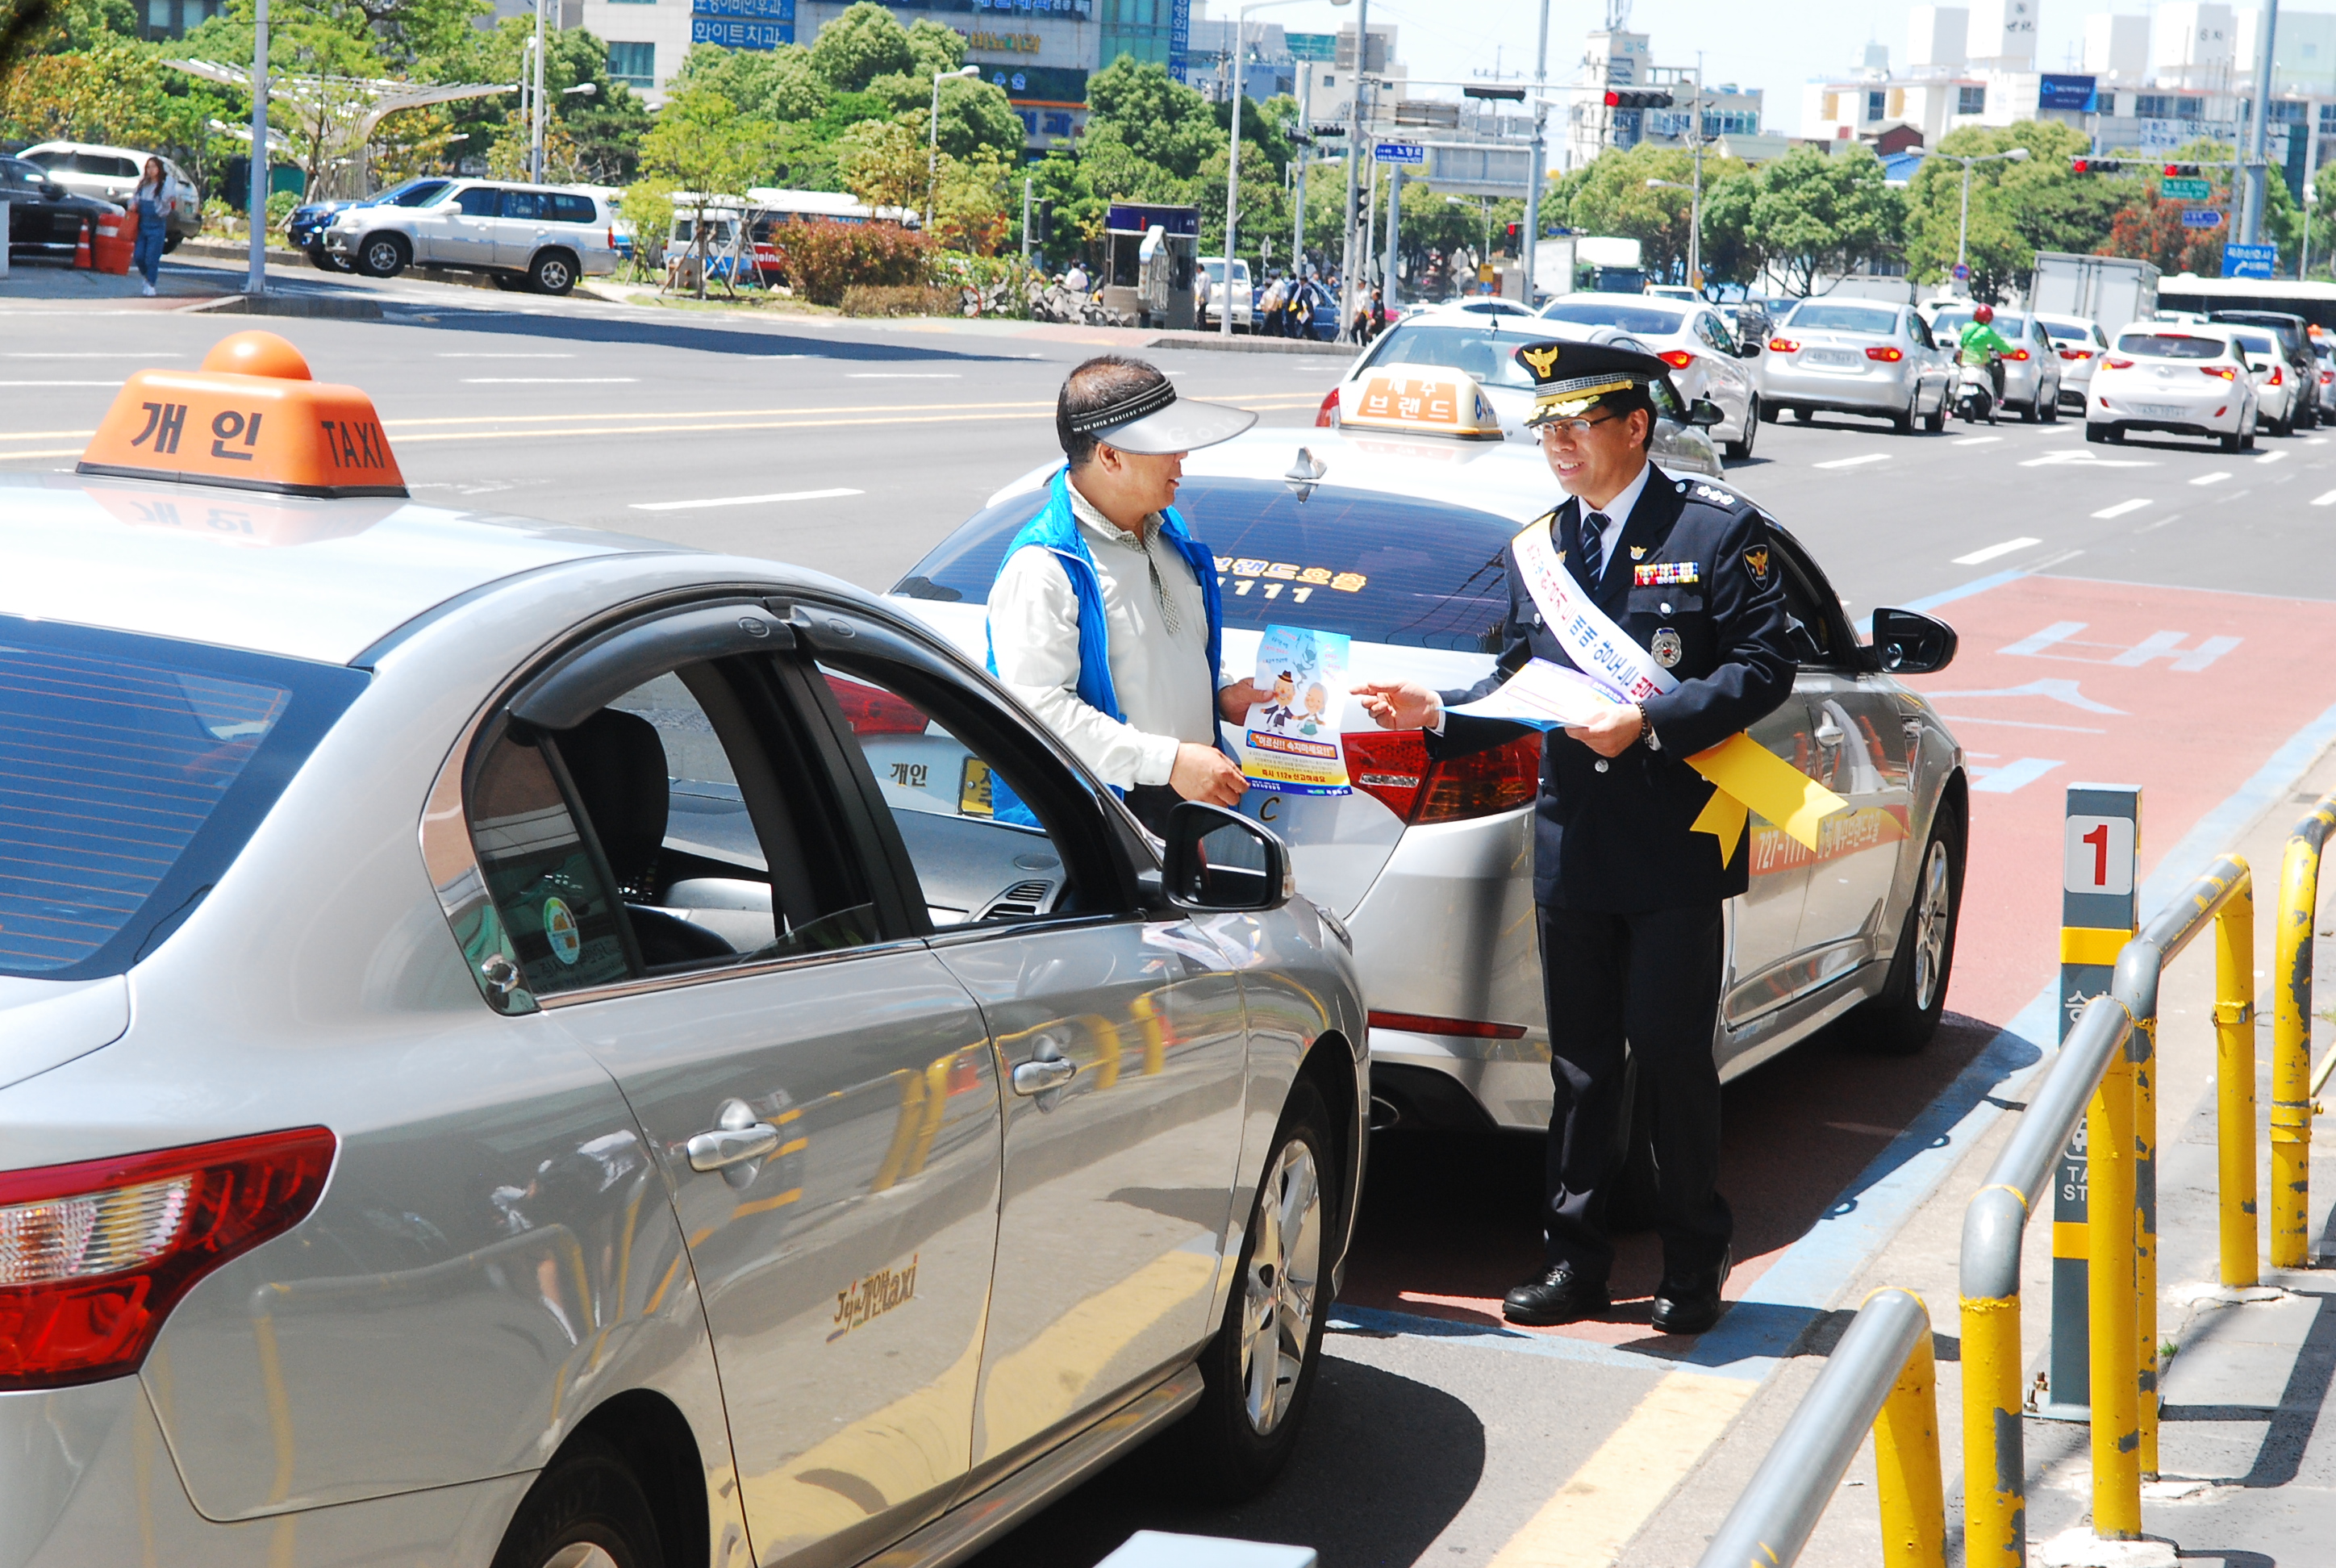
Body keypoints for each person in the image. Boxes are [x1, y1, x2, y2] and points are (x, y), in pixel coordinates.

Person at [1354, 340, 1797, 1337]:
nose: (1554, 443)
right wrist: (1438, 711)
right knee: (1584, 1068)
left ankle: (1691, 1262)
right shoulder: (1543, 547)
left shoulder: (1716, 530)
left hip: (1677, 836)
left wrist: (1650, 720)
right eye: (1544, 427)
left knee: (1672, 1058)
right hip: (1575, 843)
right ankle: (1575, 1261)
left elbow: (1766, 667)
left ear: (1634, 427)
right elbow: (1523, 680)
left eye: (1573, 425)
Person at [987, 356, 1262, 835]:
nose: (1183, 458)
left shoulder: (1167, 530)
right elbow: (1041, 714)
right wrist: (1170, 761)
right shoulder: (1044, 566)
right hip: (1104, 826)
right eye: (1166, 444)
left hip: (1185, 806)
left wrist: (1221, 691)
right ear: (1111, 456)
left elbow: (1171, 645)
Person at [1958, 302, 2013, 407]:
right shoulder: (1987, 331)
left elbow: (1962, 342)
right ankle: (1998, 399)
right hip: (1980, 363)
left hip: (1964, 362)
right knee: (1998, 372)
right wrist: (2011, 350)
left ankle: (1949, 409)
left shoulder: (1966, 327)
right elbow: (2001, 345)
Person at [131, 156, 168, 298]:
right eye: (148, 167)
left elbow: (169, 201)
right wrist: (133, 204)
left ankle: (151, 283)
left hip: (157, 226)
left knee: (151, 257)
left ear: (159, 169)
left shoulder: (163, 186)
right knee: (139, 256)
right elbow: (134, 199)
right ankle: (146, 277)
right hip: (142, 225)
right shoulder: (143, 185)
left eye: (154, 167)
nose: (151, 170)